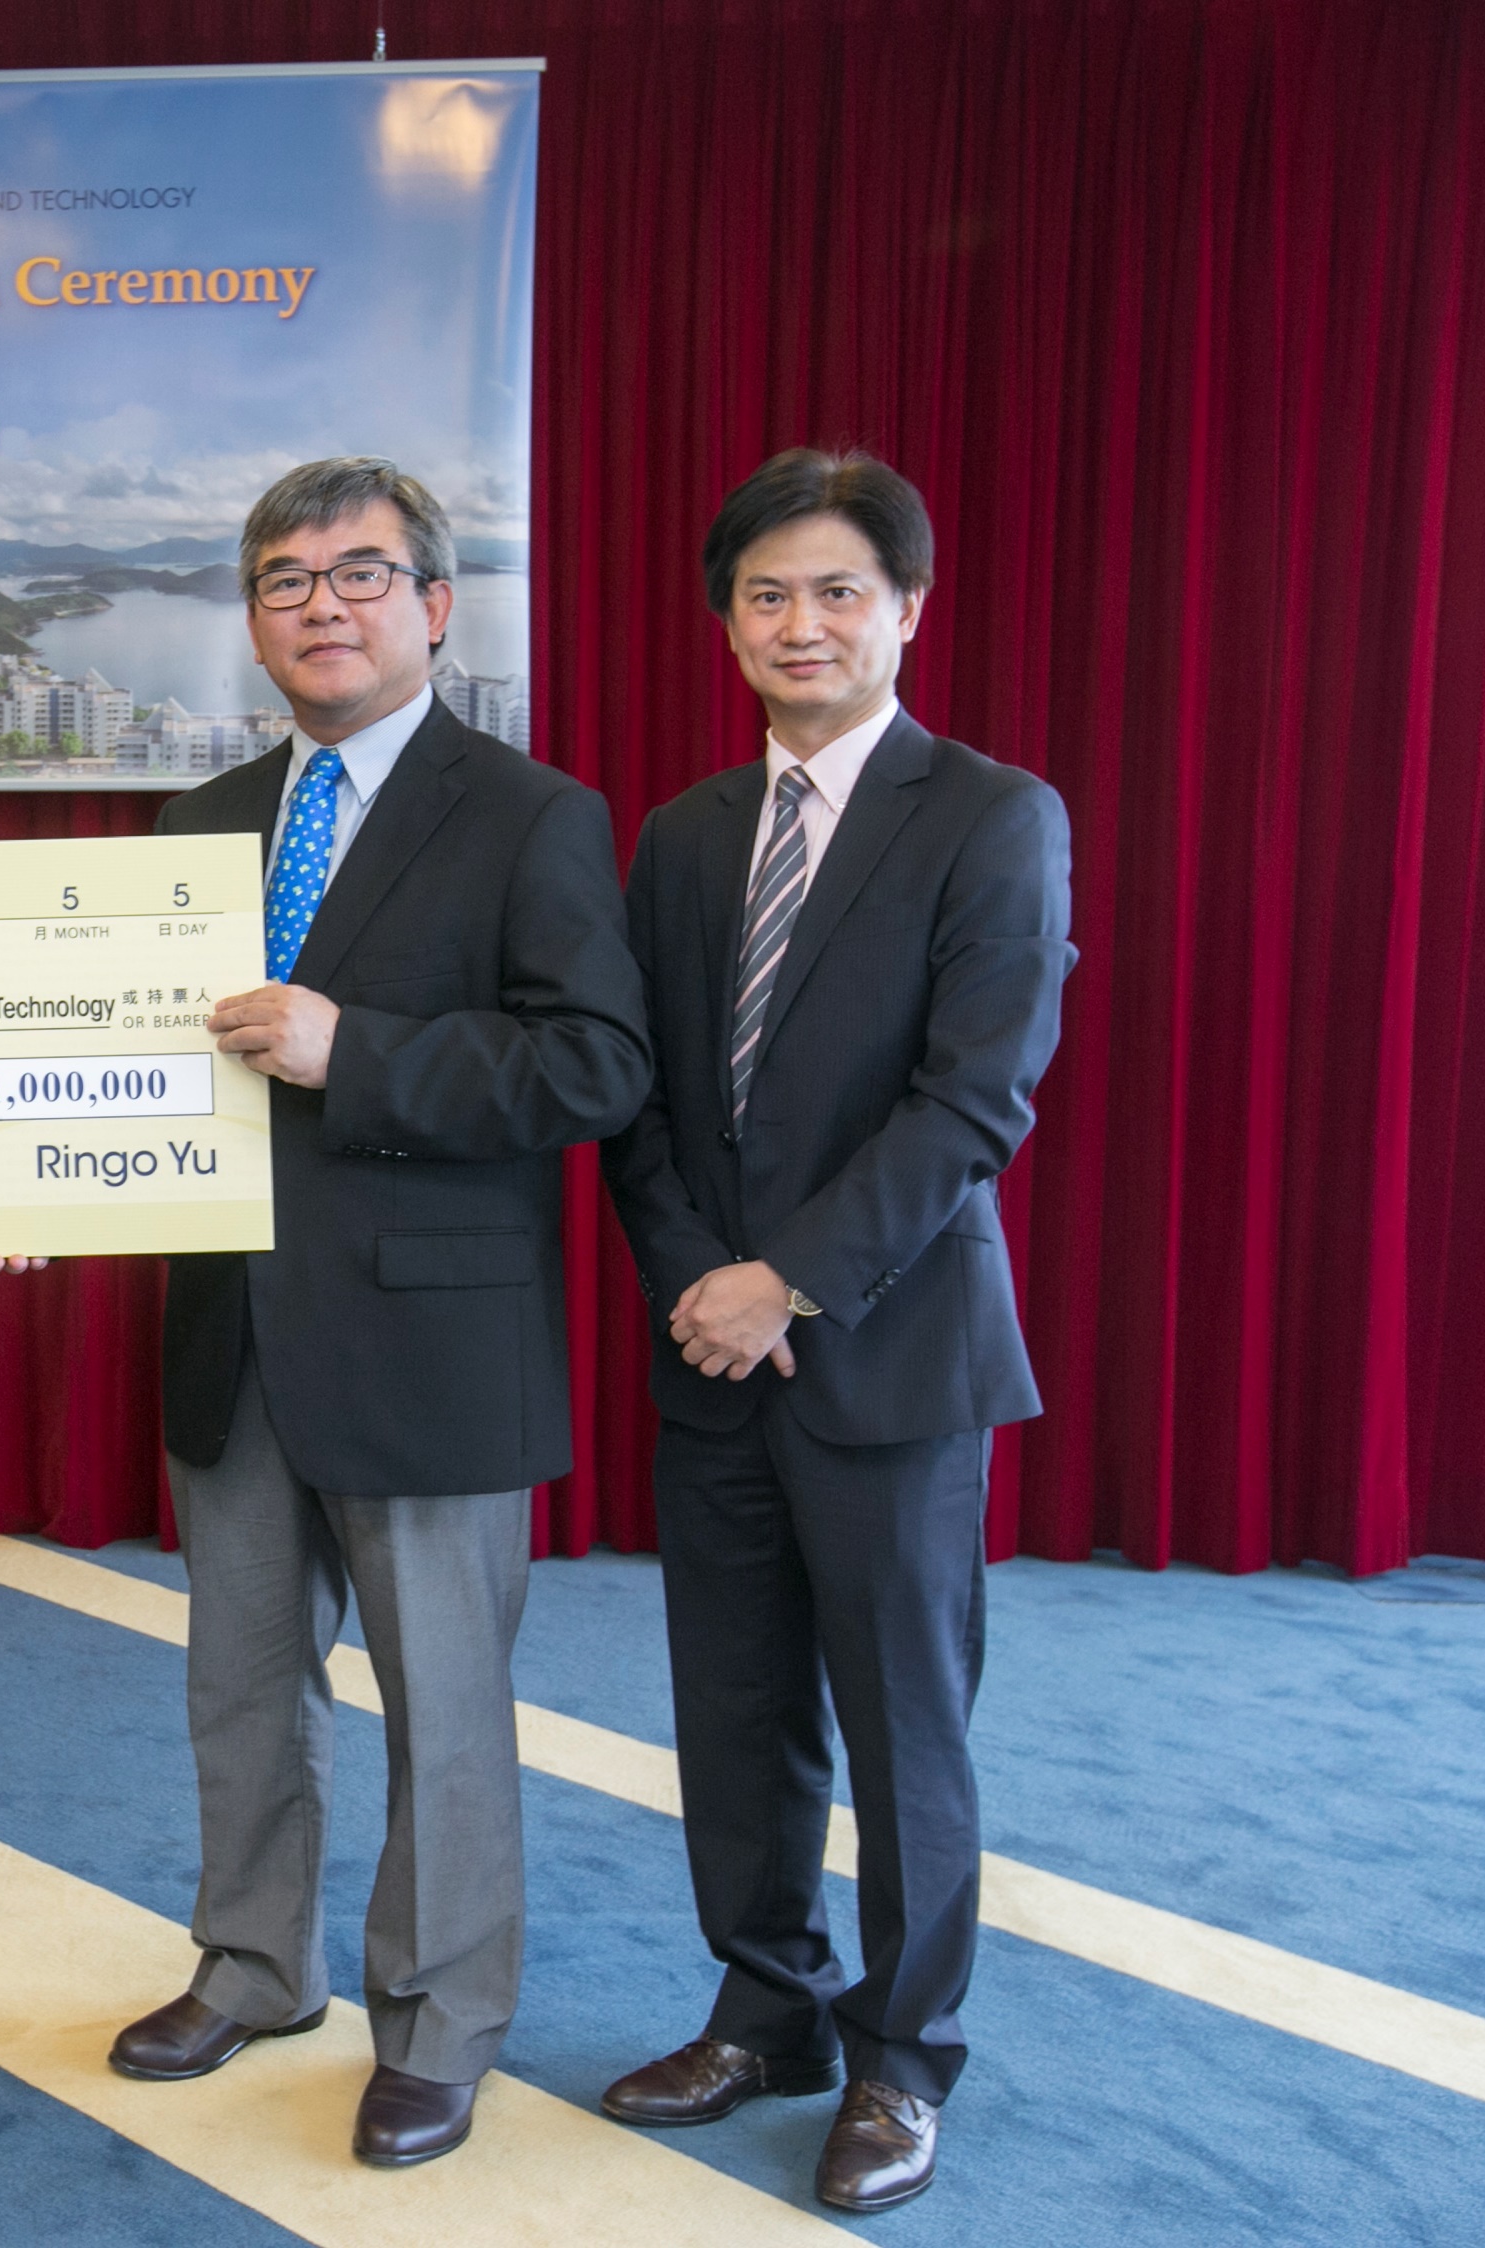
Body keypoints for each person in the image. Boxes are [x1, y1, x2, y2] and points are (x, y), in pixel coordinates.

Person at [102, 457, 652, 2167]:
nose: (318, 605)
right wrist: (27, 1189)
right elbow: (118, 1078)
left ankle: (438, 2022)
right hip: (233, 1334)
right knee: (241, 1688)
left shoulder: (528, 812)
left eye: (357, 573)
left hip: (429, 1339)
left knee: (445, 1707)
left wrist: (367, 1053)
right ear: (251, 620)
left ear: (433, 604)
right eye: (281, 580)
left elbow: (597, 1064)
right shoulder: (192, 827)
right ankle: (253, 1963)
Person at [596, 449, 1073, 2212]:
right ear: (727, 625)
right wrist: (695, 1286)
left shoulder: (989, 814)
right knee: (731, 1710)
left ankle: (900, 2058)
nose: (801, 624)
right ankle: (765, 2006)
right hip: (710, 1347)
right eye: (765, 596)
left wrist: (782, 1279)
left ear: (906, 612)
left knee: (900, 1721)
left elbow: (972, 1104)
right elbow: (636, 1093)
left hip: (883, 1349)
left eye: (837, 593)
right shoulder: (681, 835)